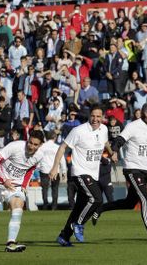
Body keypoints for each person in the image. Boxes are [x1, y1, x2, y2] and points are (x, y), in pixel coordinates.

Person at [92, 103, 147, 245]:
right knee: (145, 199)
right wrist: (113, 151)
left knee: (129, 203)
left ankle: (101, 208)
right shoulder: (133, 126)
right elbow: (119, 140)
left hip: (145, 170)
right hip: (132, 169)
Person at [50, 105, 110, 246]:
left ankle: (64, 236)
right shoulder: (78, 131)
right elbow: (62, 147)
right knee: (97, 199)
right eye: (93, 116)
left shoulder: (104, 129)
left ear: (102, 117)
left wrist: (111, 152)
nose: (95, 119)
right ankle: (79, 224)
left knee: (79, 207)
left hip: (93, 173)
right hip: (80, 172)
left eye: (98, 116)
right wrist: (55, 168)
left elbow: (105, 142)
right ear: (89, 116)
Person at [38, 131, 66, 210]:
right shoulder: (57, 147)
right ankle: (54, 206)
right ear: (55, 137)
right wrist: (63, 171)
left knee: (44, 189)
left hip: (44, 169)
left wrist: (39, 167)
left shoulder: (42, 147)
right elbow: (62, 160)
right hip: (55, 170)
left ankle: (45, 205)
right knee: (55, 188)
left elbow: (38, 158)